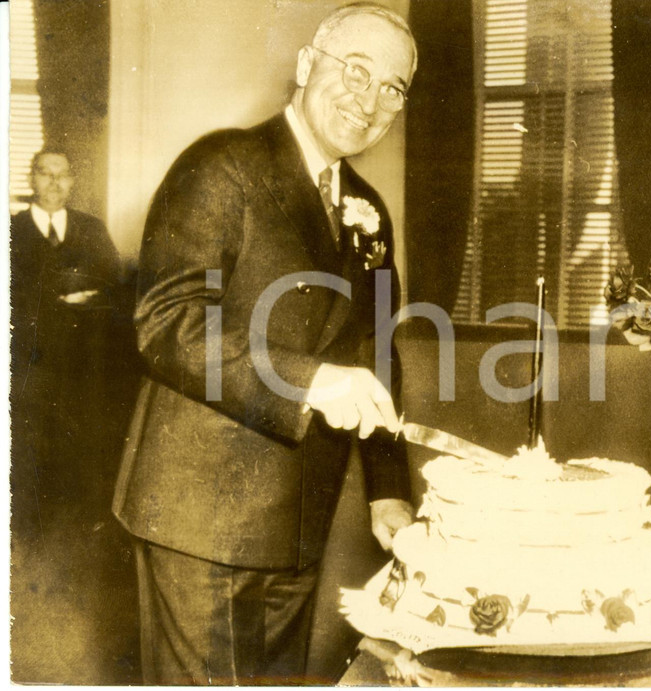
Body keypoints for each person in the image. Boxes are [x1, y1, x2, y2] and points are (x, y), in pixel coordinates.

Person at [112, 3, 418, 684]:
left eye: (392, 88)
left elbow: (374, 347)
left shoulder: (368, 207)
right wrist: (311, 380)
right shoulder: (222, 166)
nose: (369, 101)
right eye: (356, 71)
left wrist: (387, 489)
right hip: (199, 515)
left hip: (297, 520)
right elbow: (166, 323)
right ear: (308, 66)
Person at [10, 150, 142, 682]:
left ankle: (79, 537)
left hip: (86, 371)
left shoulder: (89, 228)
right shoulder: (13, 232)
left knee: (83, 455)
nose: (55, 183)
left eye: (64, 174)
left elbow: (113, 287)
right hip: (32, 374)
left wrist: (81, 300)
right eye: (45, 173)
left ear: (73, 181)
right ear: (31, 179)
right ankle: (34, 543)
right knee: (33, 456)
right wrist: (59, 298)